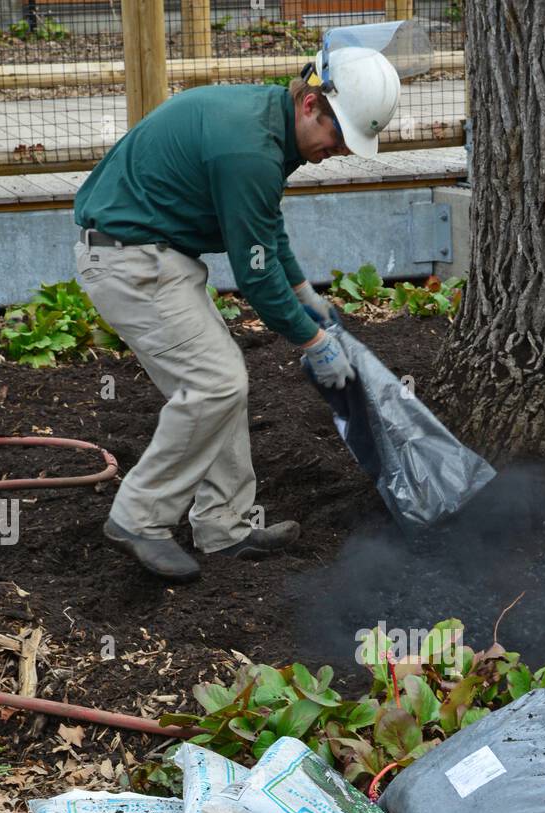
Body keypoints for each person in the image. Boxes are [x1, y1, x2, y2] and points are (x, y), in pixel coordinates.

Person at [74, 45, 401, 582]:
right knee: (217, 383)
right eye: (338, 135)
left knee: (224, 381)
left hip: (155, 256)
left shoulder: (265, 123)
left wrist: (304, 292)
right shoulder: (249, 150)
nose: (339, 150)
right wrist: (313, 343)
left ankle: (223, 528)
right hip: (129, 260)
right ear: (311, 104)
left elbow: (265, 226)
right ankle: (138, 518)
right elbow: (252, 275)